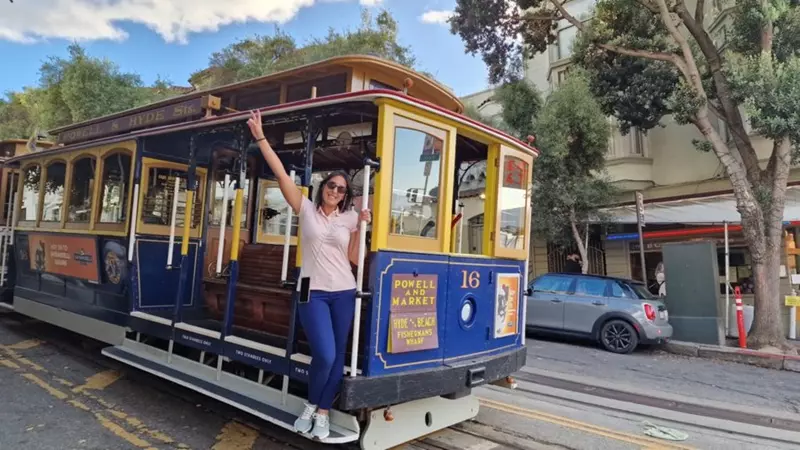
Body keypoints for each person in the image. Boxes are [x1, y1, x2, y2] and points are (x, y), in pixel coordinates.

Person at [247, 110, 371, 439]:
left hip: (344, 291)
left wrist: (361, 227)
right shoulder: (305, 209)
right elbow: (280, 174)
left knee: (336, 360)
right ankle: (310, 405)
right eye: (332, 186)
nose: (336, 192)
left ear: (346, 195)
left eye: (342, 190)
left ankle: (323, 413)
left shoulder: (349, 219)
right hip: (312, 292)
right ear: (322, 187)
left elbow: (354, 260)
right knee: (325, 354)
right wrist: (261, 138)